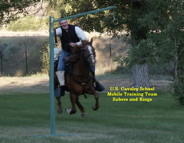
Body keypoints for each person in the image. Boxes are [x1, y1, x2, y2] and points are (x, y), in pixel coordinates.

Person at [54, 19, 104, 95]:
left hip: (79, 51)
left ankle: (94, 82)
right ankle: (62, 86)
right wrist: (52, 32)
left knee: (91, 64)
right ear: (60, 24)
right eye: (62, 23)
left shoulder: (76, 29)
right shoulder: (60, 30)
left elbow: (84, 40)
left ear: (67, 22)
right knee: (60, 68)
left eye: (65, 22)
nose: (64, 24)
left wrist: (76, 44)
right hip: (66, 51)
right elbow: (53, 33)